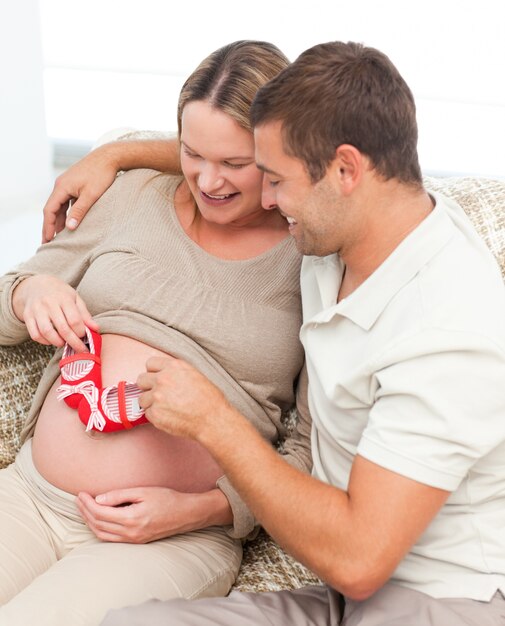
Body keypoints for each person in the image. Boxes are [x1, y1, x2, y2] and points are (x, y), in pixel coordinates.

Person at [96, 41, 504, 624]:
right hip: (343, 594)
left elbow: (360, 557)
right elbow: (223, 151)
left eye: (276, 182)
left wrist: (214, 422)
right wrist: (113, 157)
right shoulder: (349, 223)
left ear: (344, 170)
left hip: (442, 598)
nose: (263, 200)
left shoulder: (447, 330)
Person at [0, 40, 313, 626]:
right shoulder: (129, 194)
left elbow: (315, 450)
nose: (208, 180)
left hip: (169, 541)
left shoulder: (312, 260)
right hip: (30, 497)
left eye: (234, 164)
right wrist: (28, 292)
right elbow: (8, 301)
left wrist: (203, 510)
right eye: (191, 154)